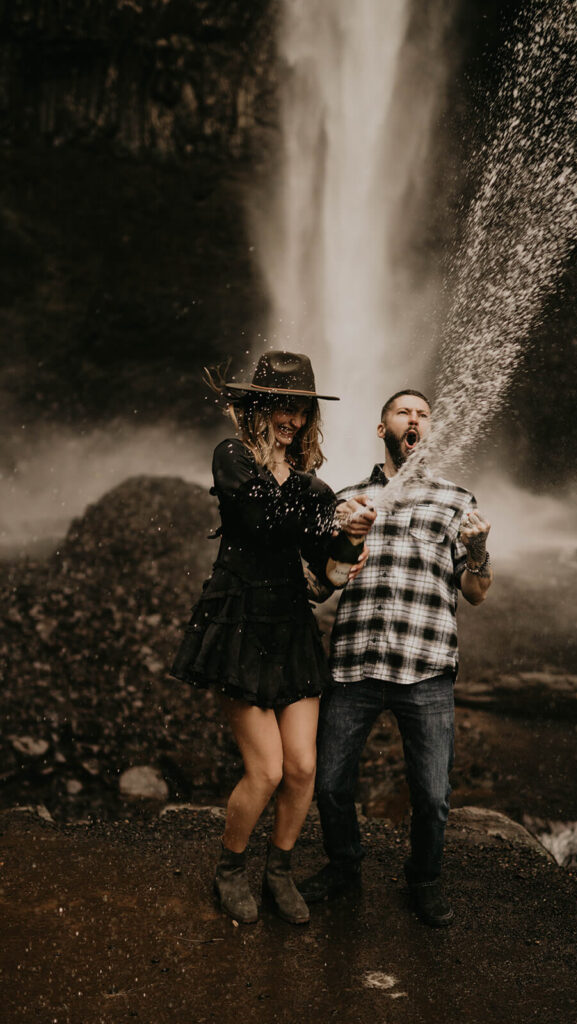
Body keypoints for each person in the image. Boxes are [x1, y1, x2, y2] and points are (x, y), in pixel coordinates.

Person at [170, 351, 373, 926]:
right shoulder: (232, 459)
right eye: (281, 405)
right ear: (257, 406)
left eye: (301, 409)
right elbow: (260, 520)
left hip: (290, 628)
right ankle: (231, 867)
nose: (292, 418)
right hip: (238, 625)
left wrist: (350, 541)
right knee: (267, 771)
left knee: (303, 768)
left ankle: (278, 870)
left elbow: (324, 576)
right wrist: (330, 518)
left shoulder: (315, 488)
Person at [301, 389, 493, 927]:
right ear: (381, 427)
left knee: (431, 795)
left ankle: (425, 879)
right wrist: (341, 536)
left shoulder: (457, 500)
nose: (415, 419)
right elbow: (320, 586)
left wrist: (478, 550)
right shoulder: (348, 499)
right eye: (403, 412)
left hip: (426, 667)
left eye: (424, 414)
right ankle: (344, 868)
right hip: (356, 664)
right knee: (331, 785)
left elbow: (475, 592)